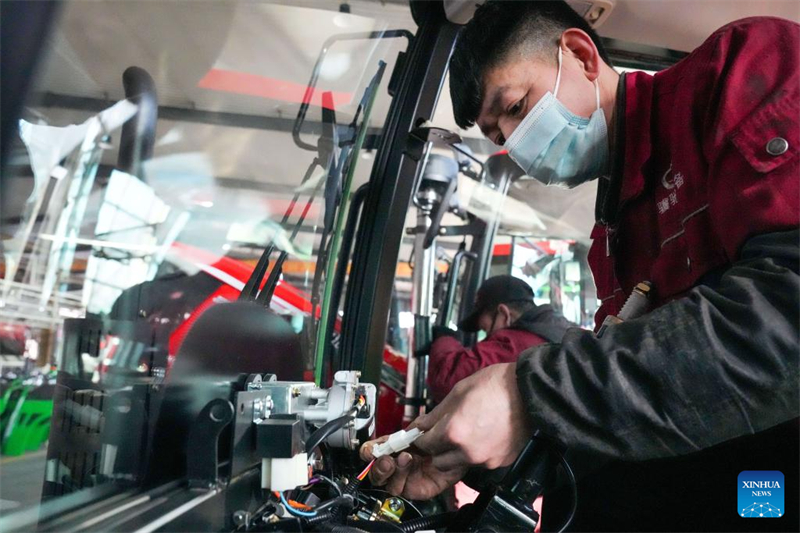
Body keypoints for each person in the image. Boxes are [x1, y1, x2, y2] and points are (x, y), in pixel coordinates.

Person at [362, 2, 799, 531]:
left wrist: (529, 396)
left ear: (580, 54)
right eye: (499, 137)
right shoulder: (612, 231)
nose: (517, 146)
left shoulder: (736, 72)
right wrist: (484, 456)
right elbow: (638, 398)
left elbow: (786, 317)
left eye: (517, 106)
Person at [428, 275, 573, 402]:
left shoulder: (517, 343)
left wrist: (445, 339)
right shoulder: (559, 331)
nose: (487, 339)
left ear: (504, 314)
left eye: (486, 330)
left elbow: (446, 381)